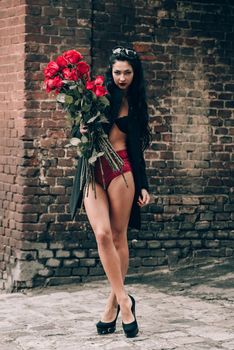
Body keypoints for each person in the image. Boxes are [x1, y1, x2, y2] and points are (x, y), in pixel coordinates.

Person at [70, 46, 151, 338]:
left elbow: (137, 149)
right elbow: (76, 133)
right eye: (117, 72)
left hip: (122, 170)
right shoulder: (96, 96)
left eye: (127, 72)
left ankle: (115, 304)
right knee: (102, 234)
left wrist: (143, 184)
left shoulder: (139, 103)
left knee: (118, 236)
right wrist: (80, 127)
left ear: (134, 74)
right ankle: (125, 300)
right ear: (111, 71)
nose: (122, 77)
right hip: (94, 168)